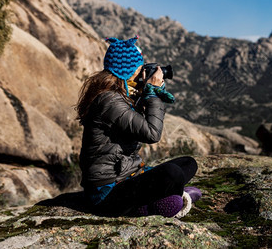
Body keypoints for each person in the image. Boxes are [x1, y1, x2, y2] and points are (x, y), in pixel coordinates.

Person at [76, 35, 201, 218]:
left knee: (188, 163)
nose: (142, 73)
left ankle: (165, 198)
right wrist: (152, 96)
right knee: (172, 173)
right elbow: (152, 134)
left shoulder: (120, 96)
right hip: (107, 192)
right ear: (127, 72)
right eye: (139, 69)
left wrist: (144, 96)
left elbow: (135, 126)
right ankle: (153, 206)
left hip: (128, 175)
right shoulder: (109, 101)